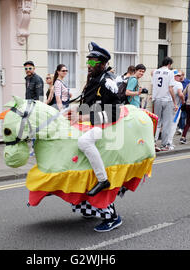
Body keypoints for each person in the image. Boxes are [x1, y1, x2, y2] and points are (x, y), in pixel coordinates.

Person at [69, 42, 122, 232]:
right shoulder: (93, 79)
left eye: (92, 61)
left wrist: (84, 116)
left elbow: (116, 111)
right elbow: (87, 103)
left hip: (106, 126)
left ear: (102, 62)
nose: (89, 65)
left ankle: (103, 181)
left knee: (83, 142)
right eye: (88, 61)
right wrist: (74, 110)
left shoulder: (108, 81)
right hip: (91, 123)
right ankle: (91, 207)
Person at [152, 57, 178, 151]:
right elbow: (170, 88)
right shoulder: (170, 72)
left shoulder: (155, 72)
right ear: (169, 64)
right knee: (167, 123)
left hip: (157, 99)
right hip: (167, 99)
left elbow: (154, 85)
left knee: (156, 122)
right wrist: (175, 102)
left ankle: (153, 143)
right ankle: (164, 145)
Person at [167, 70, 185, 148]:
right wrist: (183, 100)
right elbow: (180, 94)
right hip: (175, 107)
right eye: (177, 76)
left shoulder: (167, 83)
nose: (179, 77)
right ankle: (169, 142)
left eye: (179, 76)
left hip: (167, 106)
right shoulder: (178, 84)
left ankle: (165, 141)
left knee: (166, 124)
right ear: (174, 76)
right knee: (173, 125)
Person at [177, 70, 190, 135]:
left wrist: (186, 98)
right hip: (178, 100)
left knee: (183, 115)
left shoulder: (187, 81)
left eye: (180, 75)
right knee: (180, 115)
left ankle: (181, 128)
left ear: (183, 75)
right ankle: (180, 127)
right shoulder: (177, 81)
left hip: (186, 101)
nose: (179, 77)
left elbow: (189, 91)